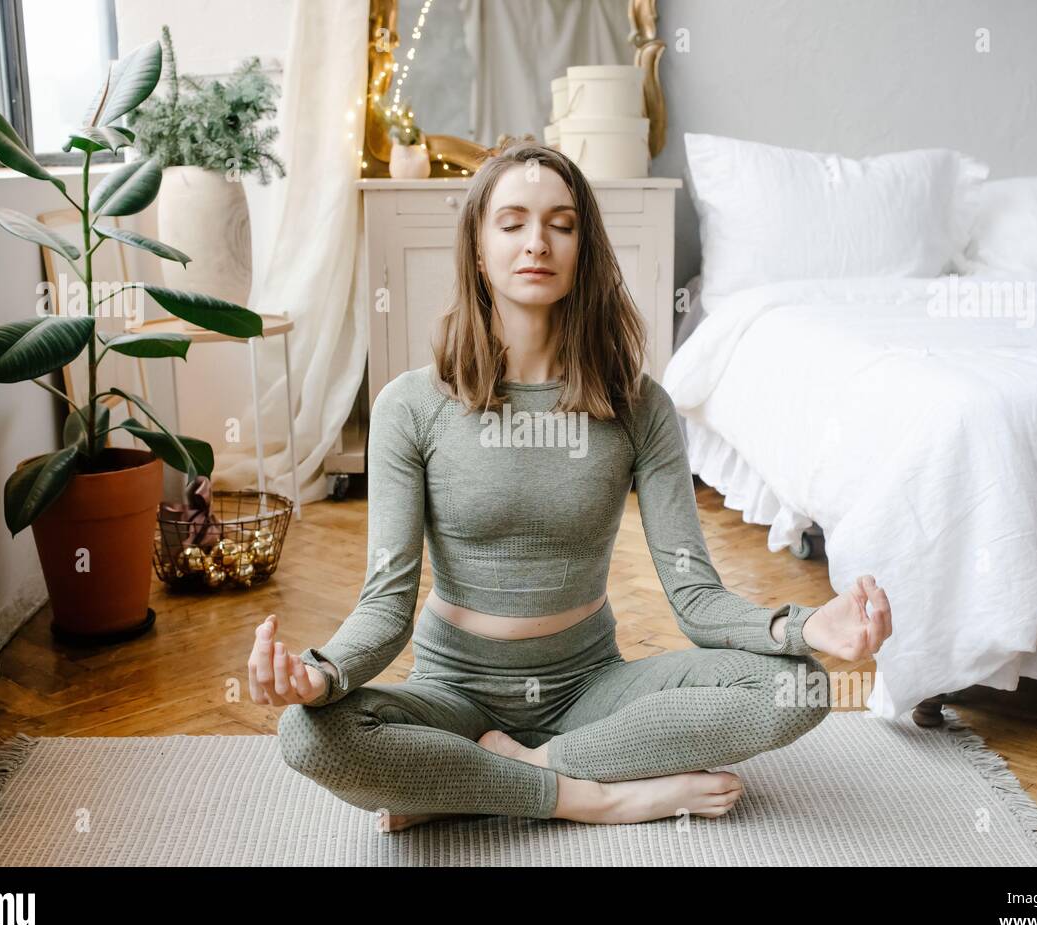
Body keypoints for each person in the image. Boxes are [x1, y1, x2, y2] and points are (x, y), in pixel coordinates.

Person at [248, 140, 892, 830]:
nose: (537, 242)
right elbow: (386, 604)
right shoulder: (411, 406)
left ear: (584, 248)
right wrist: (323, 673)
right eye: (513, 222)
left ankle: (488, 778)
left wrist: (807, 626)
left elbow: (696, 597)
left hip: (589, 685)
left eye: (561, 223)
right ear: (476, 248)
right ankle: (593, 796)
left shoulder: (639, 405)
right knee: (307, 733)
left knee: (798, 687)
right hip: (454, 693)